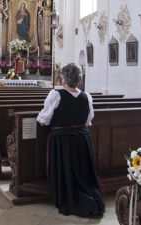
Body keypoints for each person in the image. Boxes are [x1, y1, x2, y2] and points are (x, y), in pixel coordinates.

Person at [37, 63, 105, 218]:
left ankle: (69, 195)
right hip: (82, 138)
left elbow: (44, 120)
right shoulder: (86, 96)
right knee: (82, 171)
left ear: (63, 78)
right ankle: (87, 196)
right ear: (78, 79)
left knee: (67, 168)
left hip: (62, 140)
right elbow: (88, 120)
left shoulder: (55, 94)